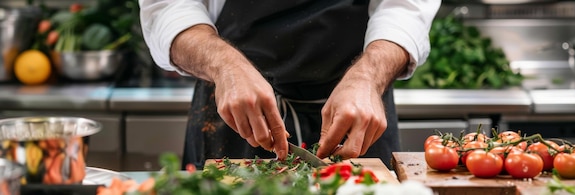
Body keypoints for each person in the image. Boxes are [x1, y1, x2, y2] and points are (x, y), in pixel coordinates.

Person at [139, 0, 440, 169]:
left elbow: (406, 6)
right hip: (234, 111)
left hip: (356, 111)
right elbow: (168, 6)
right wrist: (224, 65)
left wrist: (369, 76)